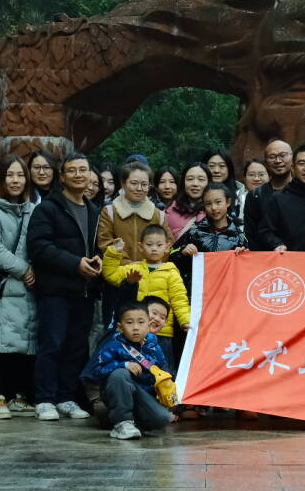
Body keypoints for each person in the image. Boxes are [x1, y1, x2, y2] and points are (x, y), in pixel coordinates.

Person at [28, 152, 102, 421]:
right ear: (62, 176)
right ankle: (44, 399)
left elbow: (98, 246)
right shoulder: (48, 208)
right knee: (52, 344)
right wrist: (74, 264)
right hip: (55, 290)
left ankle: (66, 397)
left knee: (76, 347)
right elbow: (39, 247)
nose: (79, 175)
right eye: (72, 170)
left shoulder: (95, 211)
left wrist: (98, 260)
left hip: (85, 290)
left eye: (83, 170)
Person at [0, 154, 38, 420]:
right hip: (3, 285)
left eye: (20, 175)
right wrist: (24, 269)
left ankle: (18, 396)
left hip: (26, 287)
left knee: (22, 342)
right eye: (10, 175)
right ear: (0, 178)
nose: (15, 180)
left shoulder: (30, 209)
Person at [86, 301, 174, 440]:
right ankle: (122, 423)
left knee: (162, 419)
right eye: (129, 322)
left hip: (142, 395)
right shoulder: (113, 345)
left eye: (141, 322)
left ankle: (133, 423)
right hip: (118, 391)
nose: (135, 328)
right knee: (120, 374)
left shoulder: (153, 344)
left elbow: (162, 369)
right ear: (120, 327)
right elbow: (96, 370)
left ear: (148, 324)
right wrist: (123, 365)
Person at [102, 225, 191, 362]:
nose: (154, 248)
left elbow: (179, 300)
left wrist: (186, 321)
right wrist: (114, 252)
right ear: (141, 247)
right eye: (149, 244)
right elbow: (111, 274)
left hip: (162, 332)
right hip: (136, 331)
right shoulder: (134, 268)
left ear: (167, 247)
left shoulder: (171, 273)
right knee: (137, 367)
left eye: (159, 245)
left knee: (164, 369)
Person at [97, 161, 172, 260]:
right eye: (134, 183)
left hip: (150, 269)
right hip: (118, 268)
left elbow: (168, 244)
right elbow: (105, 242)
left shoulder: (159, 215)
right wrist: (128, 265)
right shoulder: (110, 211)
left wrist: (149, 265)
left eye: (144, 184)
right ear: (123, 183)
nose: (139, 188)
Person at [243, 139, 294, 250]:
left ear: (292, 159)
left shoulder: (304, 192)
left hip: (299, 256)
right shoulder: (255, 196)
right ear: (266, 162)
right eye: (272, 157)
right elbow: (251, 234)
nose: (278, 160)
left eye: (283, 155)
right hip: (265, 257)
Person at [164, 162, 209, 238]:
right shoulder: (171, 210)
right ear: (183, 182)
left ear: (209, 182)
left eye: (201, 179)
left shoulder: (215, 210)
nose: (195, 184)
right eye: (190, 179)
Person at [237, 158, 268, 228]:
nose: (256, 179)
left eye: (261, 174)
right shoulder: (238, 199)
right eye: (251, 175)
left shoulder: (276, 199)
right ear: (244, 178)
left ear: (270, 177)